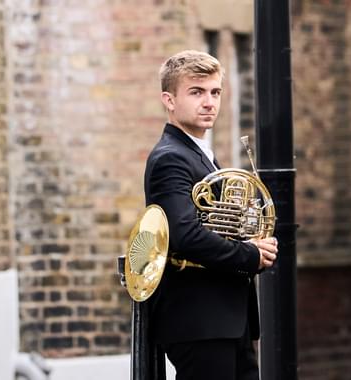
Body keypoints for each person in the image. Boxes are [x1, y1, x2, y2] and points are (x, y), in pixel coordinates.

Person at [143, 50, 279, 380]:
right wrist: (249, 253)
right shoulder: (170, 158)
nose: (209, 102)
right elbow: (184, 235)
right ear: (169, 100)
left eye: (215, 92)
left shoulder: (199, 154)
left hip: (228, 318)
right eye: (196, 92)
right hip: (199, 320)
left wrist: (249, 236)